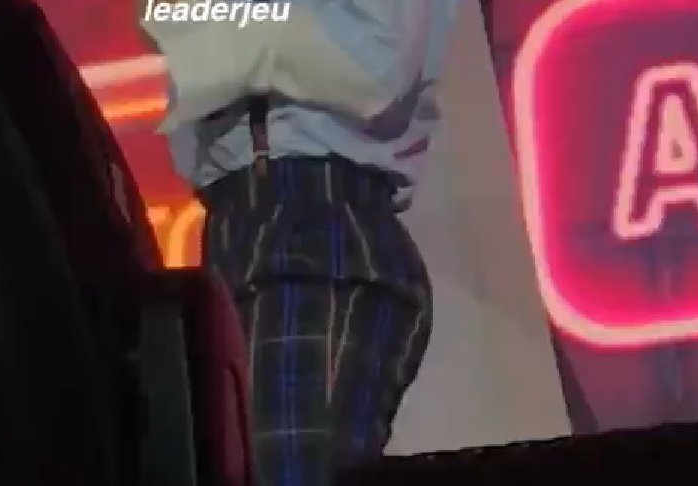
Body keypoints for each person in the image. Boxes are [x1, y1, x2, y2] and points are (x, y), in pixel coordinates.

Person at [137, 1, 460, 484]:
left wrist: (225, 39)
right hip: (237, 223)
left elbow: (372, 66)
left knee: (281, 470)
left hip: (316, 218)